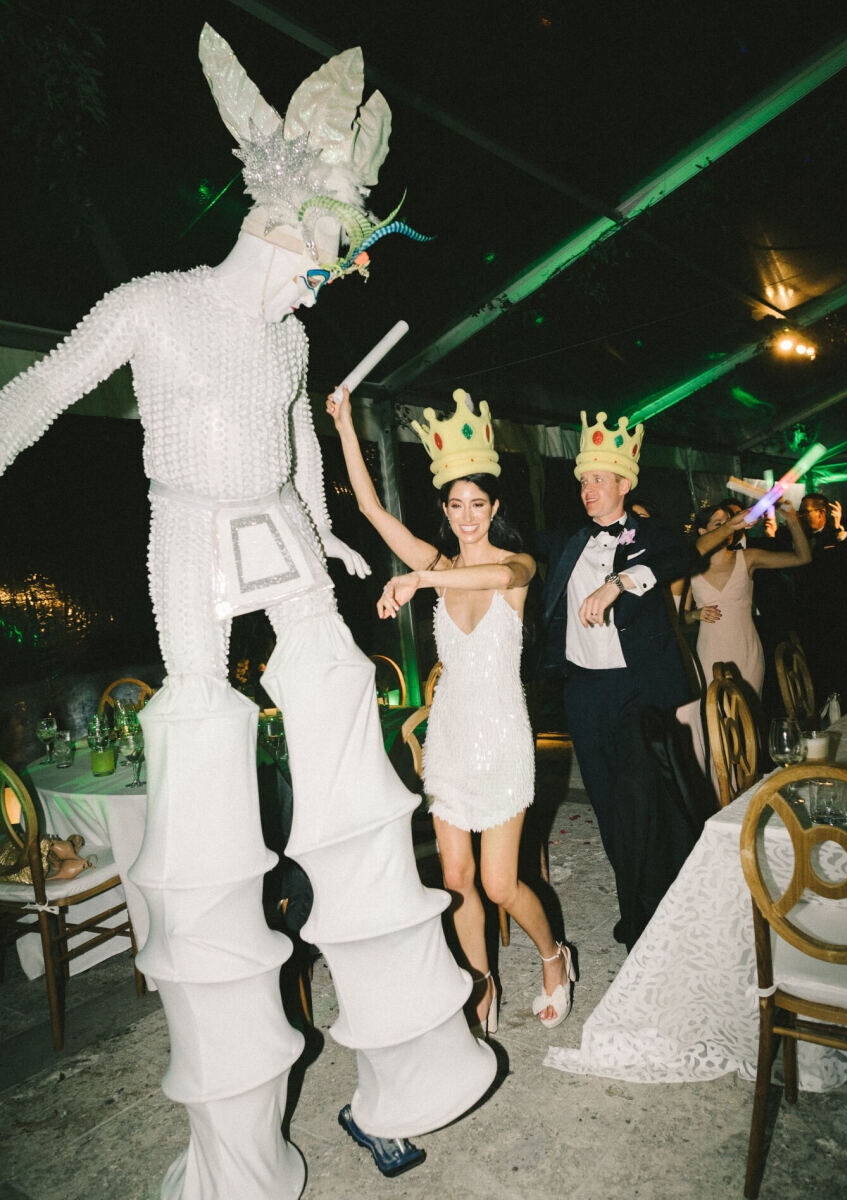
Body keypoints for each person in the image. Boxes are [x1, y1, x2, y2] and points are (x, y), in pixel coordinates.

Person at [0, 27, 495, 1194]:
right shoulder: (154, 304)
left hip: (277, 526)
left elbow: (289, 446)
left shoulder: (288, 336)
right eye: (326, 251)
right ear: (275, 218)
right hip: (188, 535)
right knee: (204, 753)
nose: (329, 276)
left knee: (343, 740)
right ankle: (238, 1147)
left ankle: (408, 1069)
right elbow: (43, 386)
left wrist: (320, 526)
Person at [328, 385, 577, 1033]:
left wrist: (421, 580)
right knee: (458, 878)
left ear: (495, 507)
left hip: (502, 740)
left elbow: (494, 580)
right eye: (456, 505)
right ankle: (482, 981)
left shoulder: (516, 566)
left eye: (479, 504)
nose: (468, 517)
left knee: (499, 885)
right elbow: (372, 510)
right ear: (446, 507)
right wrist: (347, 427)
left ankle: (555, 957)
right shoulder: (438, 561)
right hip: (450, 740)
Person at [539, 412, 736, 948]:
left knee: (644, 800)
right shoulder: (565, 540)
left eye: (598, 480)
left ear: (625, 484)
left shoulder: (650, 534)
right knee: (606, 805)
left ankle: (666, 909)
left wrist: (620, 582)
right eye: (583, 480)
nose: (588, 490)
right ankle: (635, 913)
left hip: (637, 690)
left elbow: (681, 553)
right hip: (584, 690)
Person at [684, 501, 810, 699]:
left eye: (730, 522)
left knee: (751, 715)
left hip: (747, 649)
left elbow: (802, 558)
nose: (729, 528)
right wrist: (694, 614)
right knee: (719, 719)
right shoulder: (689, 567)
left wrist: (793, 521)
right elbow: (681, 618)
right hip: (710, 651)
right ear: (702, 531)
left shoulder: (748, 557)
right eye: (719, 524)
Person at [794, 492, 847, 709]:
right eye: (801, 512)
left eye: (806, 511)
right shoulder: (798, 538)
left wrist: (840, 529)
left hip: (836, 618)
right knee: (817, 672)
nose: (802, 516)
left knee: (843, 670)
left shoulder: (835, 536)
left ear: (822, 512)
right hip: (809, 619)